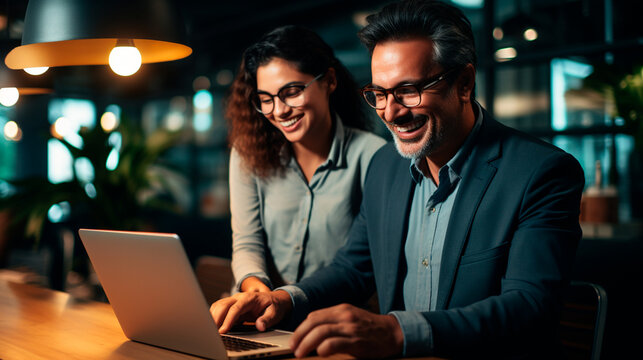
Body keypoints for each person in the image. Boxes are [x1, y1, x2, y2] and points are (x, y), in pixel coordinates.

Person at [211, 1, 585, 358]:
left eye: (408, 90)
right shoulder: (386, 166)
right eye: (379, 93)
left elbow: (530, 307)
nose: (391, 112)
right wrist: (283, 299)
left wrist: (398, 332)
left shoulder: (542, 172)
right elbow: (353, 269)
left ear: (465, 83)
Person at [224, 25, 386, 294]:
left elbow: (364, 263)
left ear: (329, 81)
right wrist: (257, 293)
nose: (279, 111)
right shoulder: (247, 153)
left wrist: (285, 303)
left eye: (292, 92)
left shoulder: (372, 156)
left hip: (329, 323)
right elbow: (246, 243)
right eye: (266, 99)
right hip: (256, 315)